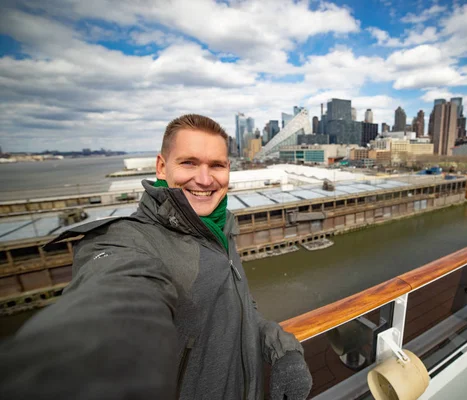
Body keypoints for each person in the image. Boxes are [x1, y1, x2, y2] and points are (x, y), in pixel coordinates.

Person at [0, 114, 313, 400]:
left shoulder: (222, 229)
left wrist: (281, 348)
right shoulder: (130, 241)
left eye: (216, 165)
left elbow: (240, 310)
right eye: (189, 163)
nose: (205, 180)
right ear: (162, 167)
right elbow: (117, 298)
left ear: (228, 170)